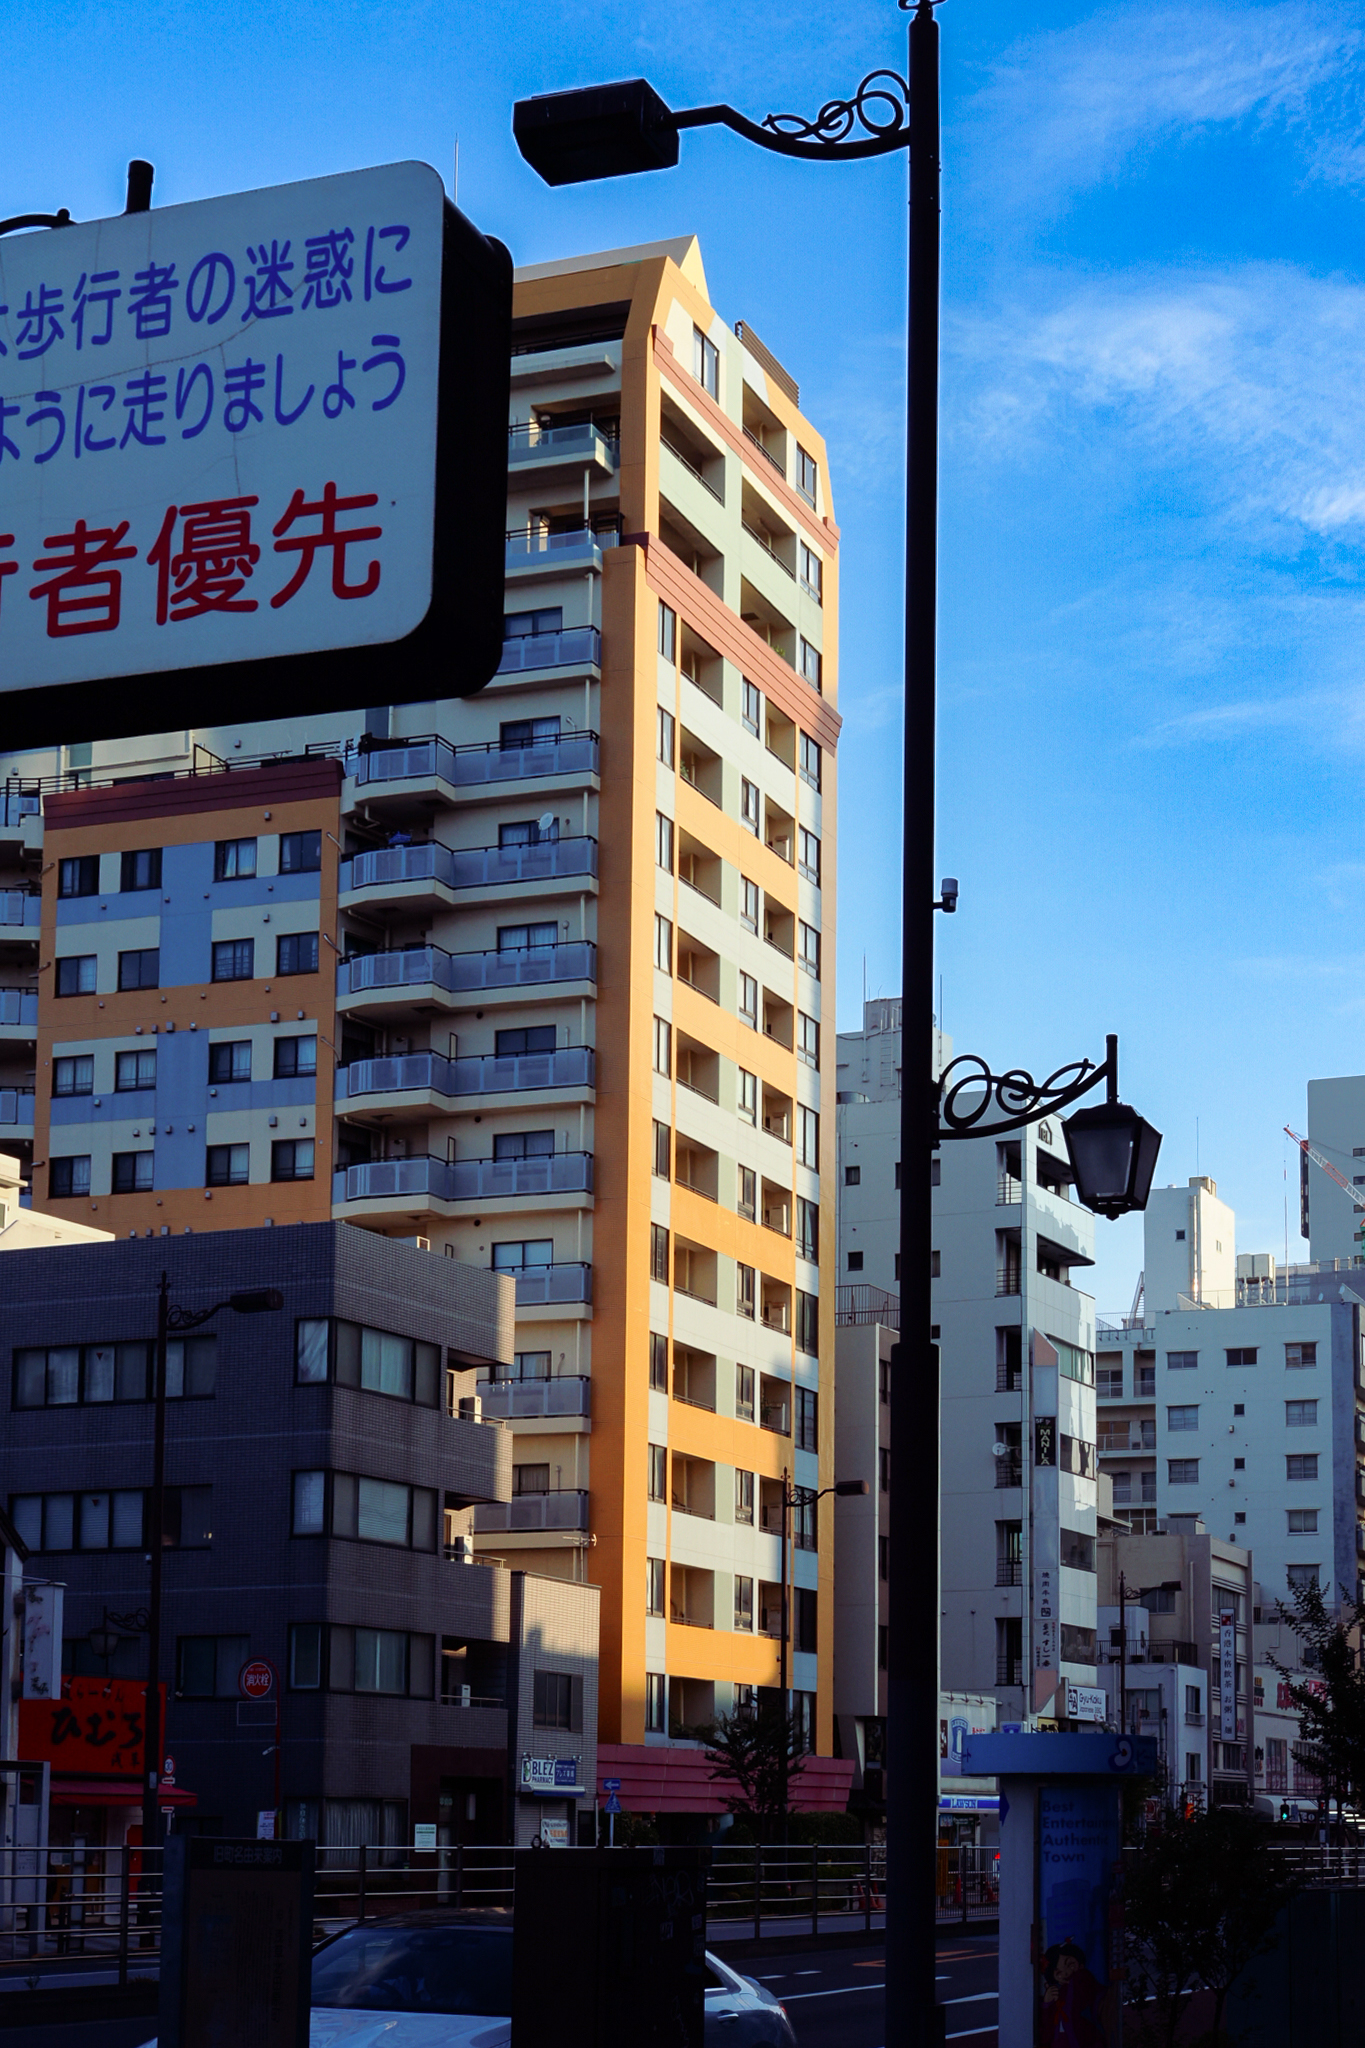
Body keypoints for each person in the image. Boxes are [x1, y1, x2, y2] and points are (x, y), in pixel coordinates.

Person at [1039, 1940, 1106, 2048]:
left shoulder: (1083, 1979)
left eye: (1070, 1964)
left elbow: (1081, 1996)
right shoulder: (1056, 1995)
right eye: (1058, 1972)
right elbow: (1046, 2035)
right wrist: (1047, 2004)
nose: (1065, 1972)